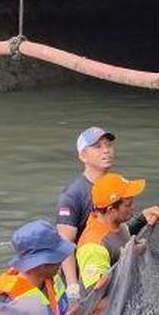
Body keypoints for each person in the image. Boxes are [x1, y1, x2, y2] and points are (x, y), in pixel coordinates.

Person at [56, 126, 116, 301]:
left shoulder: (113, 184)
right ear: (83, 156)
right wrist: (73, 285)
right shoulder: (73, 194)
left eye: (108, 145)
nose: (106, 150)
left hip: (107, 262)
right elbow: (64, 243)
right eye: (97, 147)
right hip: (86, 273)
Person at [76, 172, 159, 289]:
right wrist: (129, 255)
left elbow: (118, 236)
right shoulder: (94, 247)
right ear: (111, 209)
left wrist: (142, 219)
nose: (133, 207)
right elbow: (95, 301)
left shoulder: (114, 223)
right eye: (128, 205)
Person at [0, 220, 74, 315]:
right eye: (56, 258)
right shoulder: (7, 303)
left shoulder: (52, 278)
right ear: (41, 264)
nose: (61, 261)